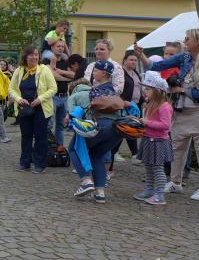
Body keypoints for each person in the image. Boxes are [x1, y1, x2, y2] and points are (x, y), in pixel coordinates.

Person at [136, 28, 199, 200]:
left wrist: (183, 90)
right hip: (181, 110)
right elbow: (156, 66)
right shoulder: (184, 57)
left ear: (198, 42)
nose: (185, 41)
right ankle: (175, 182)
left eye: (188, 38)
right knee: (176, 148)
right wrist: (141, 55)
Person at [69, 60, 127, 203]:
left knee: (73, 149)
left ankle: (86, 181)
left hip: (100, 126)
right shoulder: (114, 91)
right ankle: (100, 192)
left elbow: (82, 108)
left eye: (95, 70)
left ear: (103, 74)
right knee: (96, 155)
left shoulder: (94, 90)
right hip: (117, 131)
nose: (93, 73)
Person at [9, 46, 57, 173]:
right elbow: (11, 88)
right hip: (25, 108)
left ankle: (40, 164)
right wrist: (19, 99)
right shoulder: (19, 70)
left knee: (40, 136)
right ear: (25, 56)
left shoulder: (44, 70)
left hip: (41, 108)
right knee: (26, 136)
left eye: (36, 54)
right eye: (31, 55)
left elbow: (53, 88)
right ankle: (25, 162)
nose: (34, 57)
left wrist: (40, 99)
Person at [133, 72, 173, 206]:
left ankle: (160, 194)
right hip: (148, 140)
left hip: (158, 142)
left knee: (157, 168)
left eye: (148, 89)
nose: (145, 91)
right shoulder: (150, 104)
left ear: (158, 91)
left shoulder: (165, 107)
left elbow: (166, 126)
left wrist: (147, 122)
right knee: (148, 167)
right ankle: (149, 190)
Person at [47, 40, 75, 149]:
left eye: (62, 47)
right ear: (52, 48)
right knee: (48, 125)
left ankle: (60, 148)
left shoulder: (65, 62)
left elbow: (74, 74)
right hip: (52, 97)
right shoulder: (47, 60)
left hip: (64, 97)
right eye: (58, 46)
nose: (60, 48)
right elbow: (52, 76)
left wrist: (60, 72)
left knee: (60, 125)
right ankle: (48, 148)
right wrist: (66, 78)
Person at [118, 51, 143, 165]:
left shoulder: (135, 72)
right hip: (125, 105)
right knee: (125, 129)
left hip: (136, 105)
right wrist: (122, 101)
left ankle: (134, 154)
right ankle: (133, 154)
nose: (133, 62)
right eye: (131, 60)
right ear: (125, 61)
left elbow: (138, 88)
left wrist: (143, 98)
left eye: (135, 60)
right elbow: (117, 90)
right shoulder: (121, 73)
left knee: (132, 129)